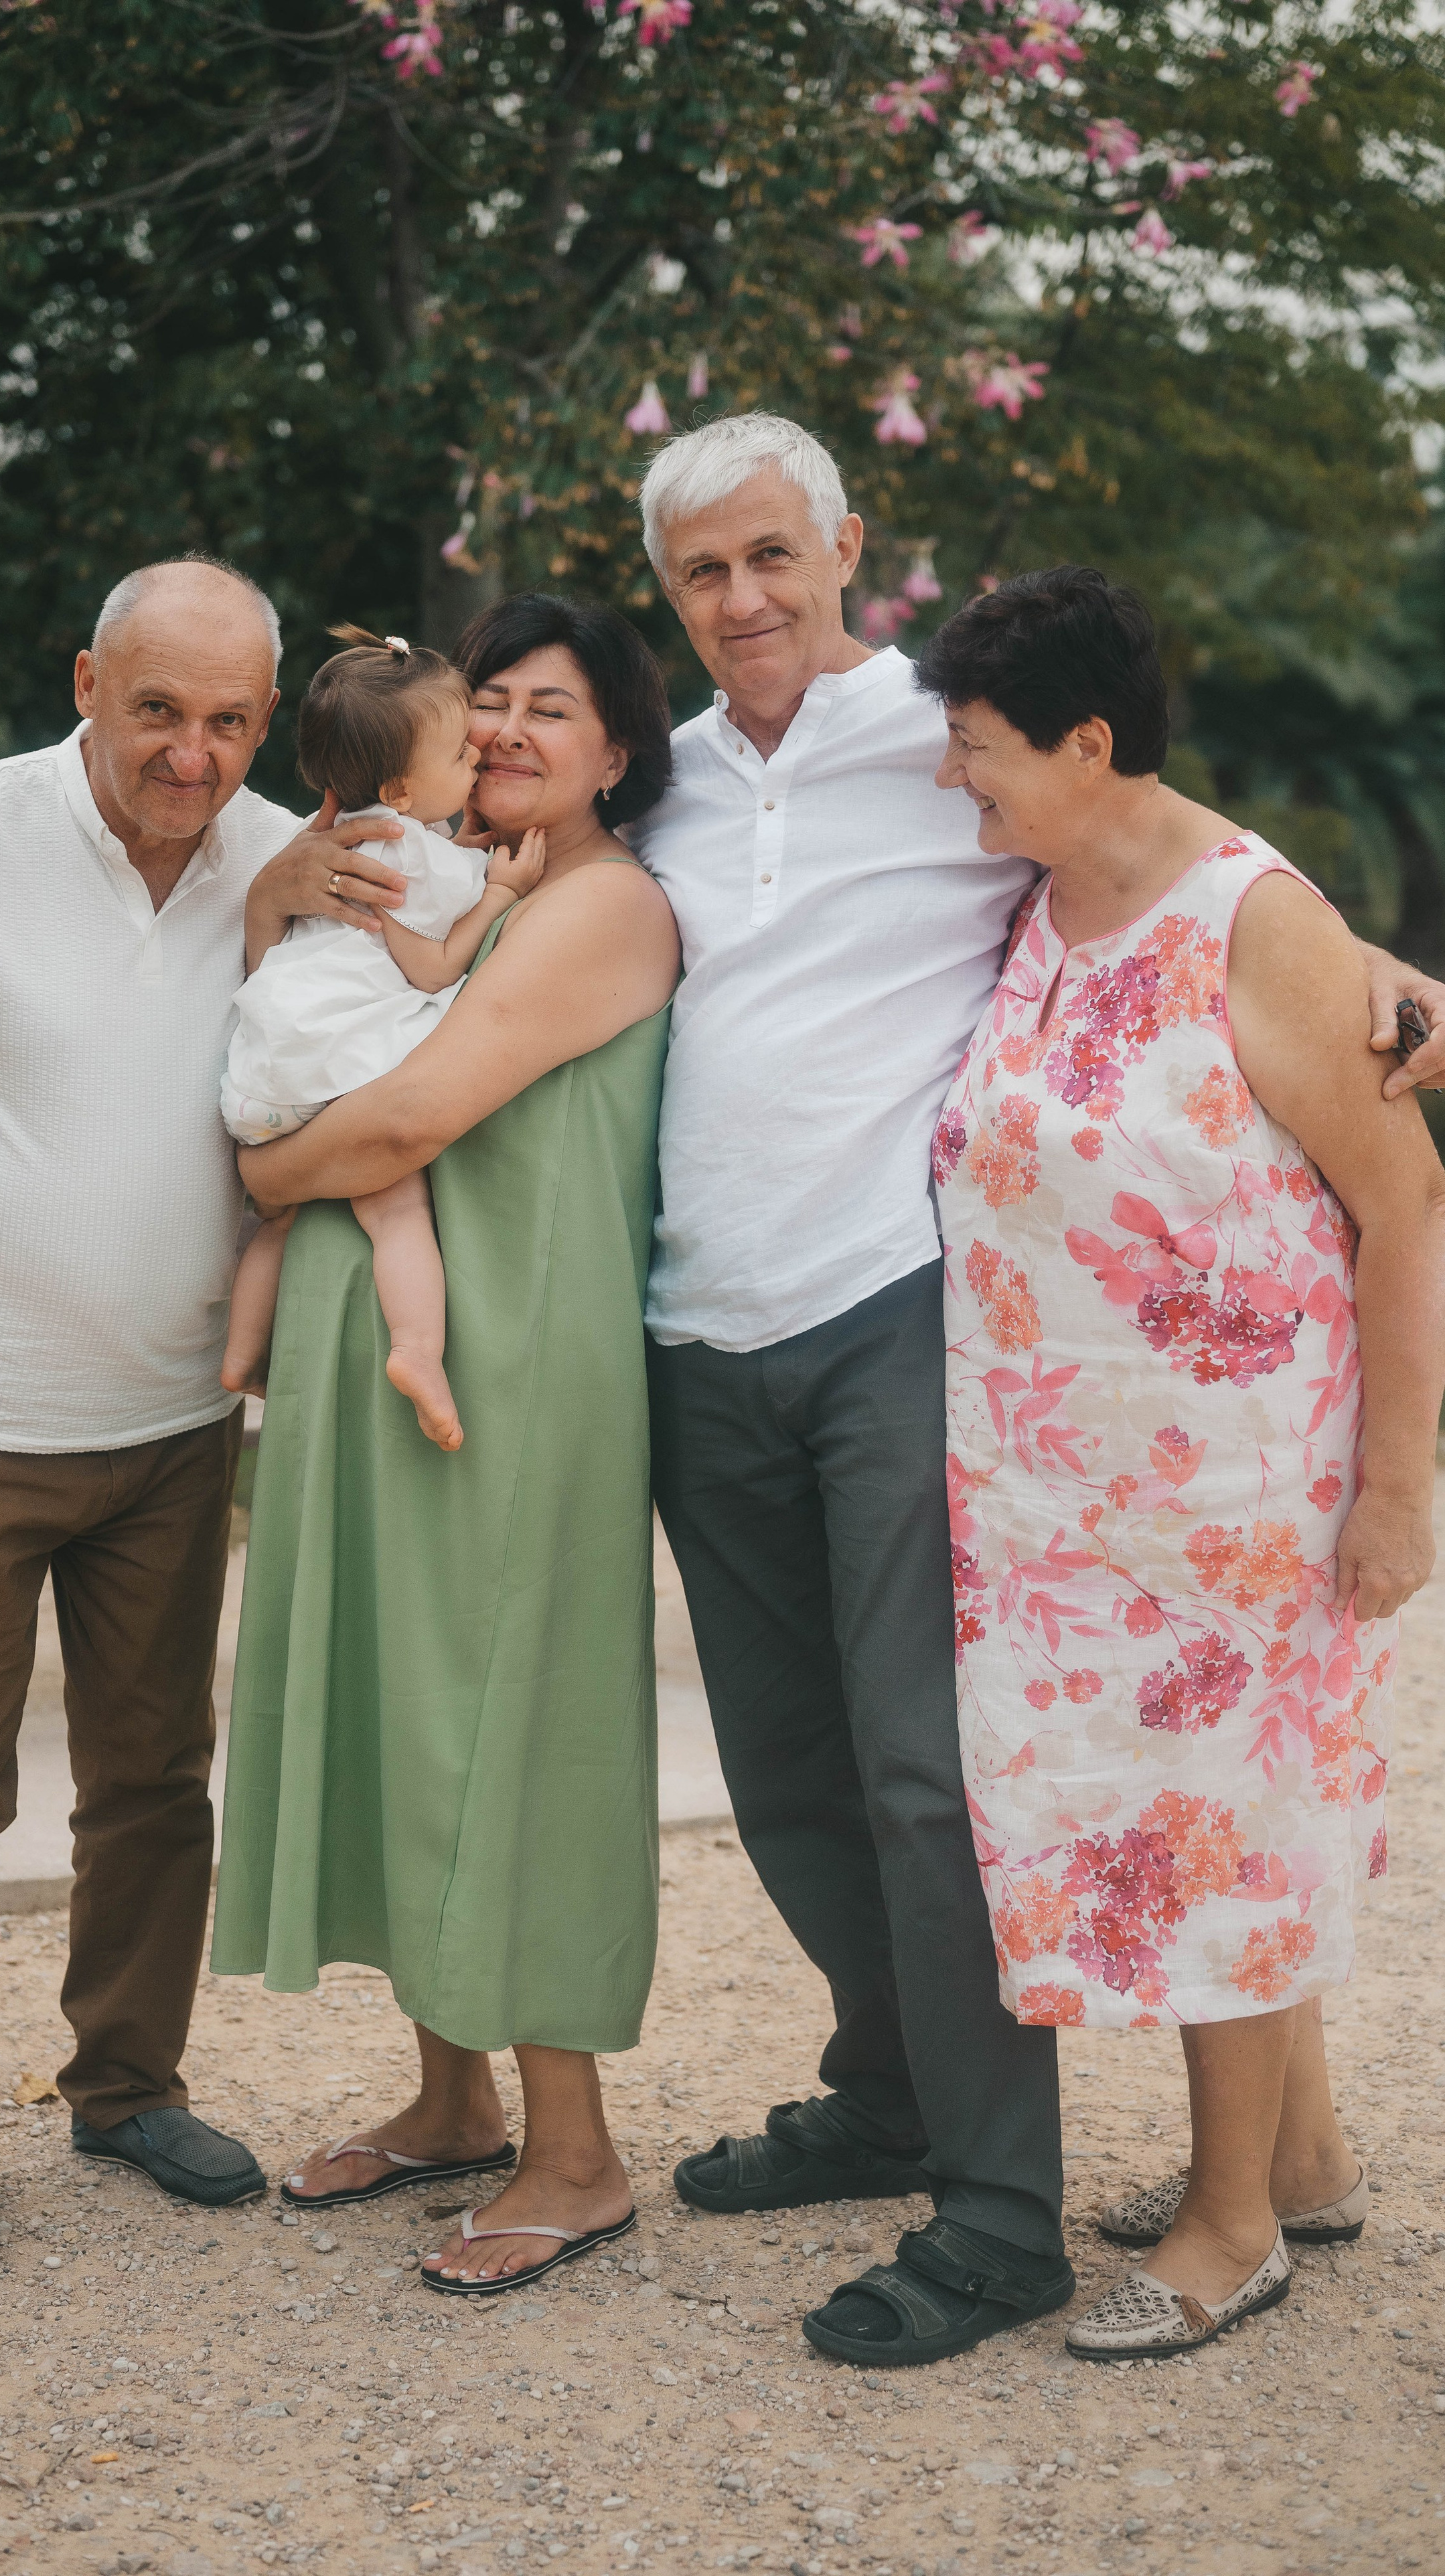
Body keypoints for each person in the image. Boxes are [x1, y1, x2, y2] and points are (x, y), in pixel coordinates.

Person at [623, 410, 1445, 2368]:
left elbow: (1206, 875)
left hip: (1048, 1392)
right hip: (884, 1403)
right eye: (700, 570)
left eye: (770, 554)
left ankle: (1066, 2213)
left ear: (841, 546)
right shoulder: (678, 787)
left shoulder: (955, 728)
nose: (740, 598)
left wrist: (1404, 999)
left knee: (1001, 1789)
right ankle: (1128, 2126)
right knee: (883, 1782)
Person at [0, 556, 393, 2282]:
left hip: (172, 1426)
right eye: (156, 711)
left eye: (227, 720)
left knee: (152, 1785)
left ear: (266, 723)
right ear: (85, 684)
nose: (190, 754)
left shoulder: (287, 857)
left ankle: (124, 2084)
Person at [919, 567, 1445, 2360]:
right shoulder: (1042, 902)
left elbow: (1406, 1202)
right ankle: (1296, 2154)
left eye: (978, 751)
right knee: (1163, 1826)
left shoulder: (1257, 922)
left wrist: (1399, 1484)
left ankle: (1233, 2228)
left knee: (1217, 1840)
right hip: (1056, 1503)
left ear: (1089, 743)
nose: (950, 783)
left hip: (1228, 1498)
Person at [208, 592, 680, 2293]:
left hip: (520, 1362)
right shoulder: (433, 875)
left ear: (618, 749)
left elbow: (405, 1114)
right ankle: (447, 2094)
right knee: (411, 1707)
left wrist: (266, 1176)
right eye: (488, 701)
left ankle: (576, 2148)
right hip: (403, 1351)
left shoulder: (605, 906)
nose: (505, 732)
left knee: (517, 1713)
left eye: (552, 711)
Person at [221, 626, 546, 1446]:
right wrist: (500, 890)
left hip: (263, 1073)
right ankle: (419, 1351)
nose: (477, 755)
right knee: (397, 1206)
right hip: (334, 1058)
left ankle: (238, 1360)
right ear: (402, 789)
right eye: (460, 754)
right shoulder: (422, 859)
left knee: (281, 1217)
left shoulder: (356, 832)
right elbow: (434, 969)